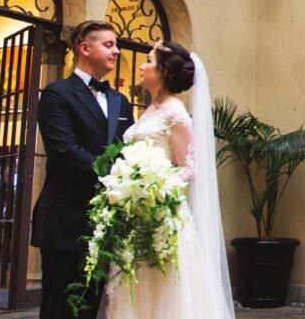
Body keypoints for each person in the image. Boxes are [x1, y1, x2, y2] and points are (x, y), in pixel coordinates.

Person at [101, 41, 234, 319]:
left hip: (163, 214)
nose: (141, 65)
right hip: (138, 213)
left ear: (162, 71)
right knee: (136, 289)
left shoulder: (175, 112)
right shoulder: (150, 109)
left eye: (147, 61)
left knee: (163, 291)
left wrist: (153, 185)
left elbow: (189, 168)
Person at [32, 20, 135, 319]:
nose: (116, 51)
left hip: (107, 221)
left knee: (92, 306)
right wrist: (118, 180)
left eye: (116, 45)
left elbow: (127, 149)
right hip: (66, 219)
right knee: (61, 305)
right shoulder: (57, 94)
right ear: (84, 48)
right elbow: (66, 152)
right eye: (108, 45)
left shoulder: (120, 100)